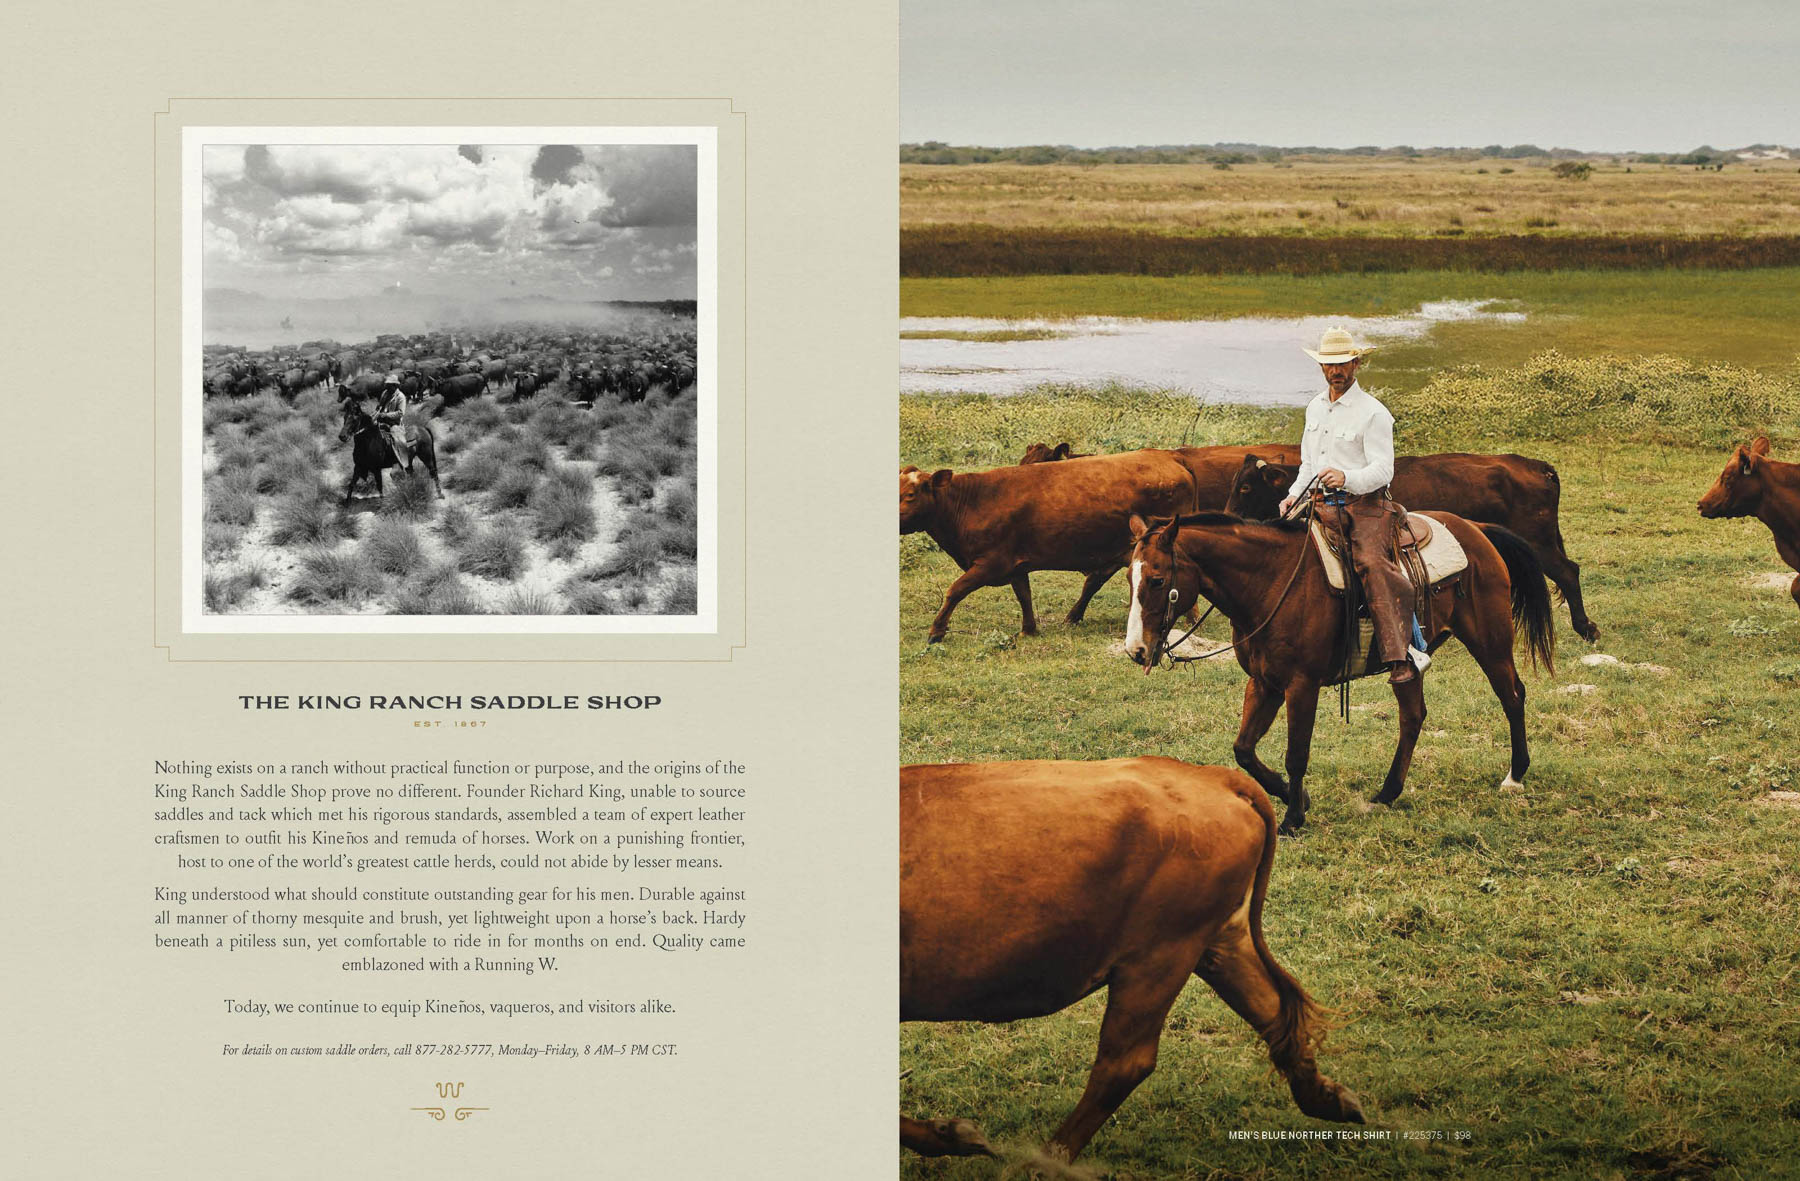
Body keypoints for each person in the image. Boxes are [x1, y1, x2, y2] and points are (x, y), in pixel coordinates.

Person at [1278, 328, 1430, 684]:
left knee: (1371, 564)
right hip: (1318, 502)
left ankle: (1404, 654)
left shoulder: (1374, 413)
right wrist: (1292, 495)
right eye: (1330, 364)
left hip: (1366, 505)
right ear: (1322, 367)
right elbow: (1309, 466)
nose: (1336, 370)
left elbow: (1383, 470)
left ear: (1356, 363)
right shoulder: (1315, 407)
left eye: (1343, 363)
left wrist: (1346, 478)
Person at [373, 373, 412, 469]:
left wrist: (386, 415)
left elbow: (400, 413)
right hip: (382, 420)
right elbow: (380, 406)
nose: (387, 387)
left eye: (389, 385)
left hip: (394, 423)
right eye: (387, 385)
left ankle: (403, 463)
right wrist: (376, 413)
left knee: (397, 441)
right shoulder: (385, 393)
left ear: (395, 386)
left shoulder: (400, 397)